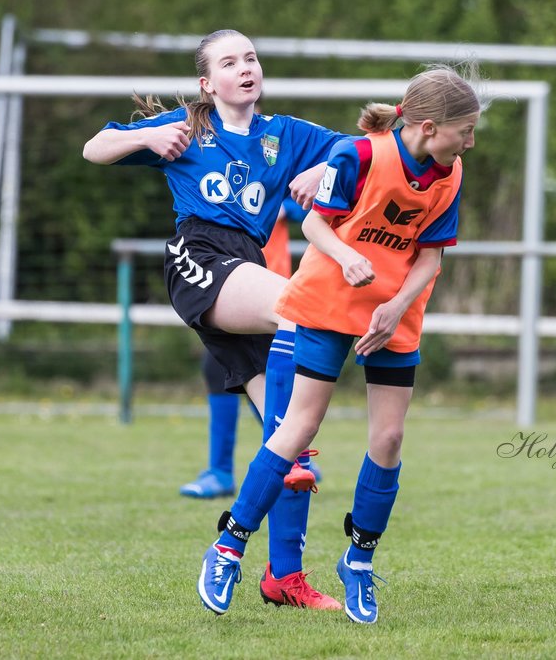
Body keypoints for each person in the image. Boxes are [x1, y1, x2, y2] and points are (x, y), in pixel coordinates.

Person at [195, 66, 482, 623]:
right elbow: (315, 227)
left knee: (391, 437)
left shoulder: (450, 172)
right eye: (464, 130)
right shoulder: (362, 156)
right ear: (428, 126)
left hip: (393, 311)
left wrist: (395, 305)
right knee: (298, 428)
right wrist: (350, 257)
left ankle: (358, 561)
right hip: (329, 299)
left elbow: (430, 256)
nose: (470, 141)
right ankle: (228, 546)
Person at [83, 30, 342, 609]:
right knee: (301, 310)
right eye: (230, 62)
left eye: (251, 57)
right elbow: (93, 149)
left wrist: (325, 174)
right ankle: (282, 477)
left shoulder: (286, 135)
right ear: (208, 83)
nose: (245, 68)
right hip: (198, 259)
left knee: (288, 430)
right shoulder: (188, 129)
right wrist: (149, 135)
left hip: (246, 265)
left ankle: (284, 577)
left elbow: (360, 156)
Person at [179, 198, 320, 500]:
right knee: (224, 369)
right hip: (230, 287)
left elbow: (318, 195)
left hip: (272, 294)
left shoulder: (278, 164)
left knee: (255, 373)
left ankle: (288, 452)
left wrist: (287, 208)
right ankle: (235, 467)